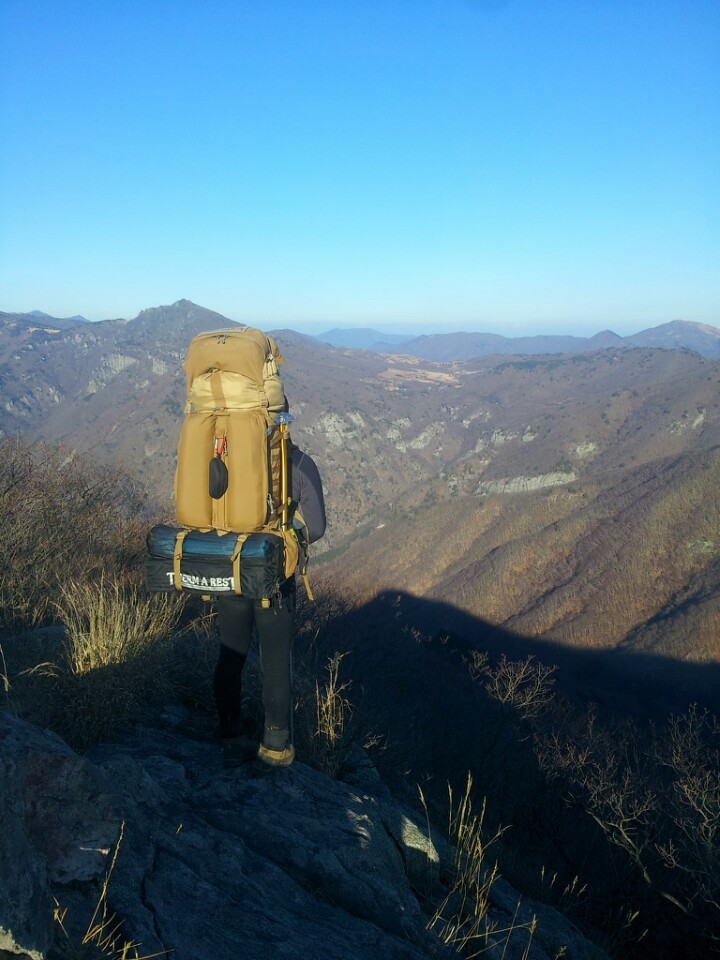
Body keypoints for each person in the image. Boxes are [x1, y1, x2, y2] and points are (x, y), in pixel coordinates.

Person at [213, 435, 326, 768]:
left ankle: (230, 734)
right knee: (275, 662)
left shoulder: (225, 455)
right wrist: (289, 539)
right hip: (275, 576)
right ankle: (275, 748)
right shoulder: (299, 464)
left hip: (231, 566)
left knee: (230, 654)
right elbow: (317, 528)